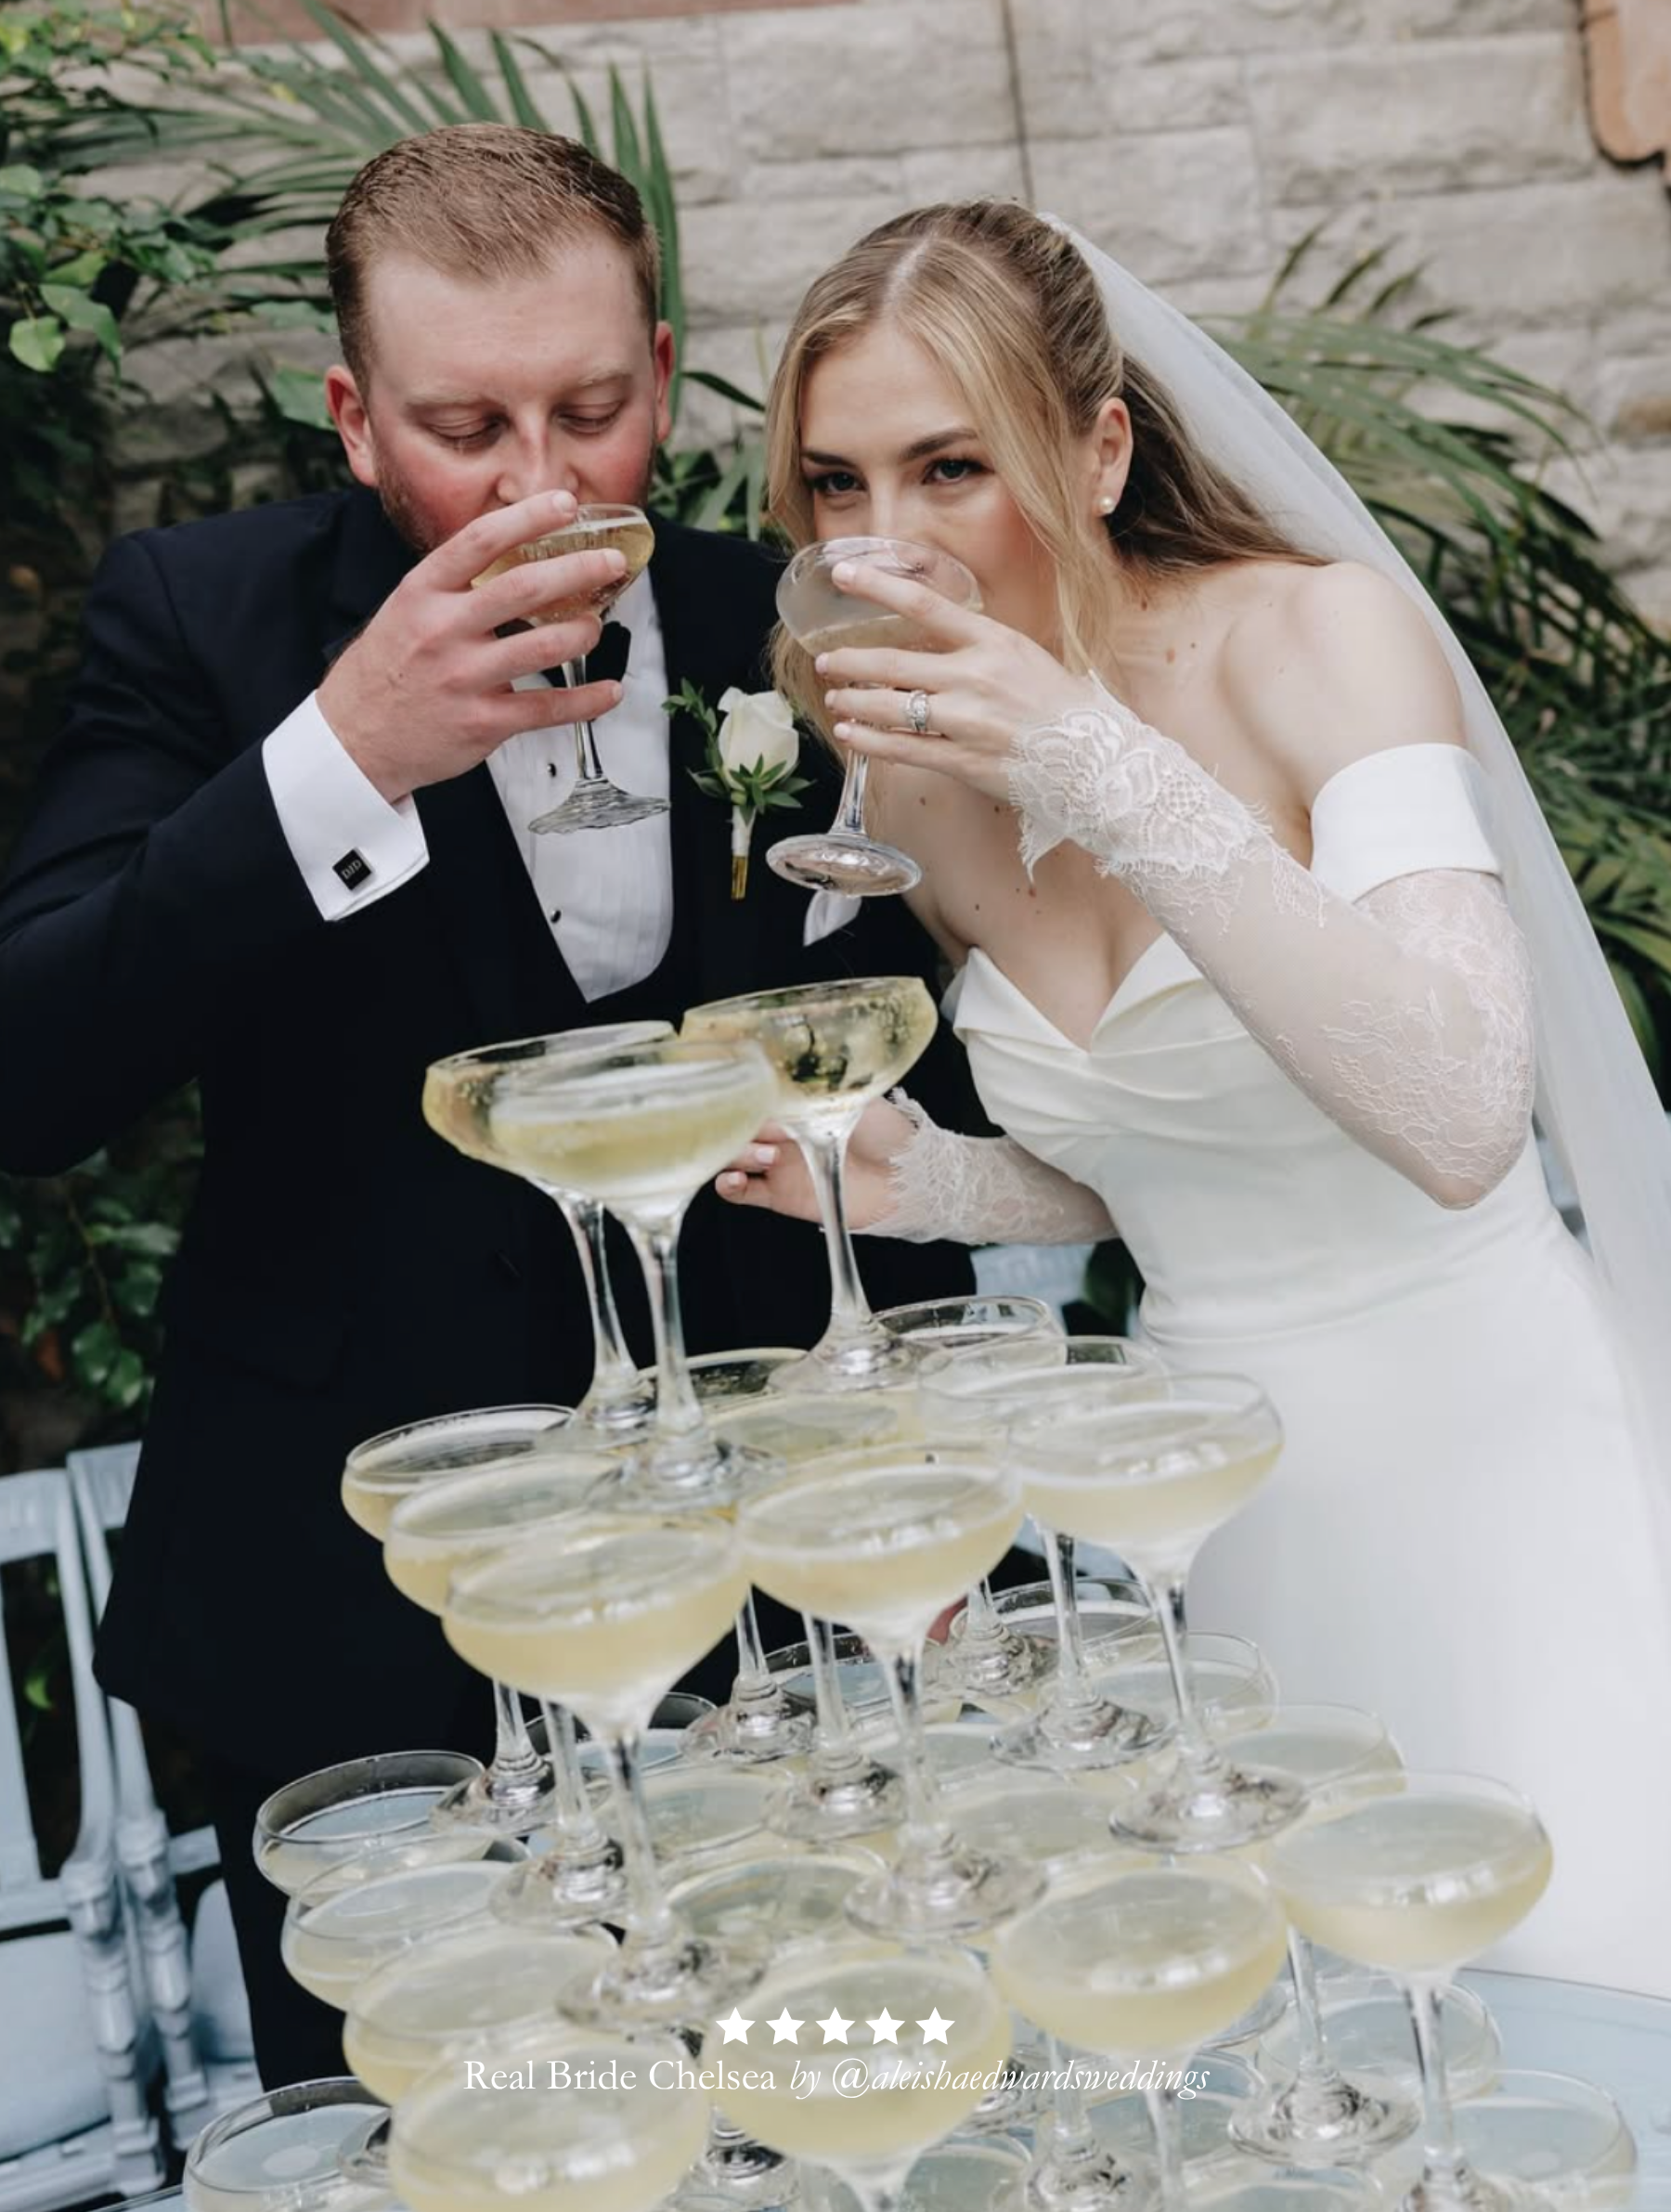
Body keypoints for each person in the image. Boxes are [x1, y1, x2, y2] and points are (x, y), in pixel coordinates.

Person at [0, 128, 975, 2084]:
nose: (542, 485)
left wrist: (926, 1502)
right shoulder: (202, 622)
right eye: (466, 425)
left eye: (594, 411)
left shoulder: (776, 619)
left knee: (824, 2101)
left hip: (777, 1583)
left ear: (665, 370)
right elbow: (35, 1069)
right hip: (361, 1610)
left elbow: (912, 1076)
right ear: (357, 419)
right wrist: (339, 759)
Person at [719, 199, 1671, 1997]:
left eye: (950, 467)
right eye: (837, 487)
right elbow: (1175, 1163)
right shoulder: (918, 777)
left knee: (1580, 1979)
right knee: (1317, 2044)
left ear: (1098, 446)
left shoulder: (1315, 642)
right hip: (1213, 1510)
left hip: (1489, 1465)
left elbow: (1459, 1109)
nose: (888, 547)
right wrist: (936, 1186)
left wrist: (1092, 756)